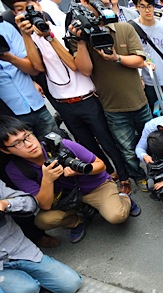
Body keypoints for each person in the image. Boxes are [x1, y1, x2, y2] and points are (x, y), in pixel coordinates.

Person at [13, 0, 133, 195]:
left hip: (87, 98)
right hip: (63, 103)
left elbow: (76, 65)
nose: (29, 13)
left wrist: (50, 37)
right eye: (20, 10)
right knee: (87, 144)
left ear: (40, 6)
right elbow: (38, 67)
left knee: (107, 140)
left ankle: (124, 176)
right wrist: (27, 36)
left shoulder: (62, 30)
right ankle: (109, 173)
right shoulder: (30, 39)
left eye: (31, 6)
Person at [1, 117, 141, 244]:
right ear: (5, 150)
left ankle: (123, 198)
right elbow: (44, 205)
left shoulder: (62, 145)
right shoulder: (16, 169)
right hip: (65, 197)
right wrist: (47, 179)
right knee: (42, 220)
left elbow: (101, 165)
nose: (28, 144)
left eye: (28, 136)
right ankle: (77, 222)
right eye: (17, 143)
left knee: (117, 216)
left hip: (95, 187)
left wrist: (79, 170)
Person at [70, 0, 153, 193]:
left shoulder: (124, 28)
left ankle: (156, 170)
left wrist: (116, 58)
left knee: (151, 140)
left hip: (139, 102)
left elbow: (140, 61)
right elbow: (85, 70)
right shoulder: (80, 39)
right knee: (127, 148)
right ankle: (139, 176)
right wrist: (82, 42)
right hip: (112, 108)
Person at [0, 179, 82, 293]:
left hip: (21, 249)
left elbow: (31, 203)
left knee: (71, 284)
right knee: (27, 291)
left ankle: (31, 279)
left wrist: (7, 204)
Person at [0, 17, 61, 140]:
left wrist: (9, 58)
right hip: (9, 115)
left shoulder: (5, 27)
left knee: (59, 144)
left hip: (36, 104)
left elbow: (33, 69)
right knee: (29, 157)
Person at [131, 0, 163, 114]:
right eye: (142, 7)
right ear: (136, 7)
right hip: (148, 81)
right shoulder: (132, 28)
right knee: (155, 112)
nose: (147, 10)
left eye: (150, 6)